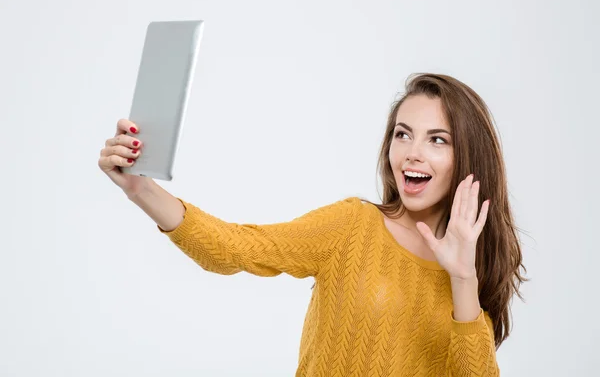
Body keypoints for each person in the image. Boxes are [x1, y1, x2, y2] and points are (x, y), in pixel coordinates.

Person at [98, 73, 527, 376]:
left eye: (438, 139)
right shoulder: (352, 226)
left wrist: (462, 278)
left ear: (467, 158)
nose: (413, 152)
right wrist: (140, 190)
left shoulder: (471, 270)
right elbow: (235, 249)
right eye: (402, 133)